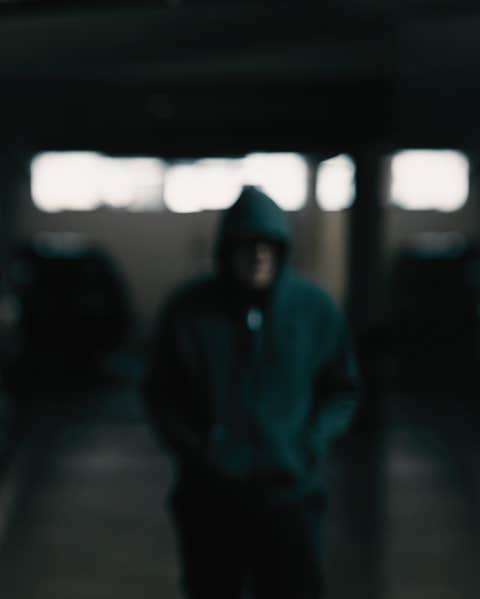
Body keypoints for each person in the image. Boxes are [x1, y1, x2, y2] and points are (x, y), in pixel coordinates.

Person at [142, 186, 359, 599]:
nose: (258, 255)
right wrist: (196, 450)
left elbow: (342, 390)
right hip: (210, 499)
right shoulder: (189, 311)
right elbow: (159, 393)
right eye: (247, 245)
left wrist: (308, 444)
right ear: (227, 250)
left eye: (268, 245)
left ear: (282, 250)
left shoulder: (314, 311)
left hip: (289, 496)